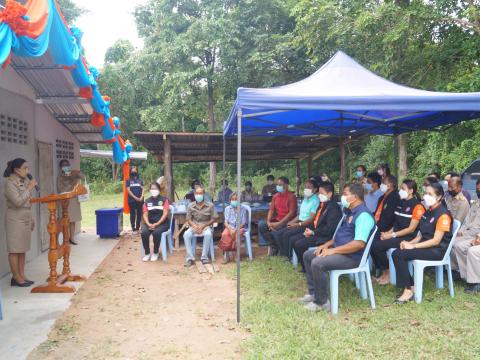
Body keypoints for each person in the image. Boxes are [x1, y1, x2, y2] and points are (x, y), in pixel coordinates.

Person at [300, 183, 375, 312]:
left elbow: (359, 244)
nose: (342, 197)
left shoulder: (363, 215)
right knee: (308, 255)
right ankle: (314, 293)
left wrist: (332, 250)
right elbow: (341, 235)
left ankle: (322, 302)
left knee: (318, 262)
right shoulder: (350, 212)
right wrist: (326, 245)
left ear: (355, 197)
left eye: (345, 194)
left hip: (352, 257)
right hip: (340, 251)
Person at [392, 183, 453, 304]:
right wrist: (408, 242)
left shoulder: (443, 215)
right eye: (425, 193)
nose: (426, 196)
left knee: (399, 255)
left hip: (437, 250)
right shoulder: (428, 211)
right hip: (426, 246)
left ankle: (408, 289)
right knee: (398, 252)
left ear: (439, 197)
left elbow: (436, 241)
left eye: (430, 194)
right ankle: (409, 286)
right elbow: (421, 235)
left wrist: (413, 246)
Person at [371, 179, 425, 285]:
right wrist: (388, 233)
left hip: (409, 237)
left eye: (403, 189)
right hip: (396, 235)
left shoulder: (417, 206)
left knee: (377, 246)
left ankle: (388, 273)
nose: (400, 191)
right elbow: (395, 224)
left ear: (411, 191)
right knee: (373, 242)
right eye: (400, 188)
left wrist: (392, 235)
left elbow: (411, 229)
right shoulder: (401, 203)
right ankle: (384, 272)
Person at [291, 181, 343, 272]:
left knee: (299, 244)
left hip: (326, 237)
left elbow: (330, 228)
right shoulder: (322, 204)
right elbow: (317, 221)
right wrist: (310, 230)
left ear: (330, 194)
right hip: (317, 232)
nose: (319, 195)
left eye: (321, 193)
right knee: (294, 239)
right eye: (319, 192)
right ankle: (306, 266)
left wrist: (314, 232)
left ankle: (307, 269)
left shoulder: (333, 208)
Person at [4, 158, 37, 287]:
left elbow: (27, 201)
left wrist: (31, 217)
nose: (27, 171)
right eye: (25, 168)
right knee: (14, 249)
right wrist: (29, 188)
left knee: (22, 248)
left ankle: (22, 275)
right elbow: (17, 202)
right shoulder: (9, 183)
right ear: (17, 170)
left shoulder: (23, 181)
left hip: (25, 217)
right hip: (15, 218)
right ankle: (16, 277)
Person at [275, 179, 320, 258]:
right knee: (279, 230)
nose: (306, 189)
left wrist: (296, 225)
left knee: (286, 234)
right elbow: (300, 215)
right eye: (305, 187)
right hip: (299, 221)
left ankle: (287, 256)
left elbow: (311, 218)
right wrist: (291, 222)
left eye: (309, 187)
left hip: (307, 224)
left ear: (315, 189)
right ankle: (282, 252)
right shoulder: (306, 199)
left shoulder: (315, 200)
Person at [451, 179, 480, 293]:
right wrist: (460, 231)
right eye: (477, 189)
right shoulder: (476, 203)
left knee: (471, 250)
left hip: (475, 233)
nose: (478, 191)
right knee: (456, 244)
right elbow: (467, 221)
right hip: (471, 233)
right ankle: (465, 276)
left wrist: (478, 238)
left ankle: (476, 281)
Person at [258, 177, 297, 256]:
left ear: (286, 185)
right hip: (277, 220)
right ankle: (274, 246)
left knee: (277, 231)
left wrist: (278, 224)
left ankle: (282, 252)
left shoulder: (291, 196)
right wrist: (268, 221)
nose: (278, 186)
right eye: (277, 184)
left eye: (280, 184)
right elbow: (271, 210)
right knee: (261, 225)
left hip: (287, 222)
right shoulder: (275, 196)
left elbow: (291, 213)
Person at [184, 186, 218, 266]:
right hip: (194, 225)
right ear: (194, 194)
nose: (198, 195)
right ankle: (190, 258)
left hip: (206, 225)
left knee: (208, 234)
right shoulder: (190, 205)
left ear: (203, 194)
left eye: (200, 193)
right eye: (197, 193)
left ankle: (204, 257)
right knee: (186, 234)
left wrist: (204, 226)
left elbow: (213, 219)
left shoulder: (210, 205)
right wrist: (194, 226)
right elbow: (188, 219)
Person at [57, 159, 85, 245]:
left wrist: (78, 172)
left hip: (74, 200)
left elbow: (83, 177)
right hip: (65, 201)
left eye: (67, 165)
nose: (66, 167)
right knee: (65, 220)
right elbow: (61, 189)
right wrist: (72, 183)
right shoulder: (60, 177)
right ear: (61, 167)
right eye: (64, 165)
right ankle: (65, 238)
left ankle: (72, 238)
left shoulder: (73, 174)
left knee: (73, 220)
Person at [141, 182, 170, 262]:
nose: (154, 190)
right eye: (152, 189)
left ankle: (155, 252)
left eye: (155, 188)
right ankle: (147, 253)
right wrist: (148, 223)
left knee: (156, 233)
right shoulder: (147, 201)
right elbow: (145, 214)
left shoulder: (164, 200)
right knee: (144, 232)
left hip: (162, 223)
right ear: (150, 190)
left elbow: (165, 214)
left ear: (159, 190)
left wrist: (157, 223)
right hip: (149, 223)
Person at [218, 193, 247, 264]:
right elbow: (225, 222)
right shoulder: (227, 208)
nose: (234, 201)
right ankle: (227, 256)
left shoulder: (243, 209)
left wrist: (235, 230)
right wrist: (231, 230)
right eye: (232, 199)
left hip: (239, 227)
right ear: (230, 200)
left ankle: (237, 256)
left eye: (236, 199)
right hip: (229, 227)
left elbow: (243, 223)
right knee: (225, 234)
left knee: (238, 235)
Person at [373, 175, 401, 240]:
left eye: (383, 183)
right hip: (376, 227)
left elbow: (389, 218)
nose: (381, 185)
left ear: (389, 185)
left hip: (386, 231)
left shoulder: (395, 197)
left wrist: (378, 230)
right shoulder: (382, 197)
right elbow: (377, 213)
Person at [126, 167, 144, 232]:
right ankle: (133, 227)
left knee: (139, 213)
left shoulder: (140, 180)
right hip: (132, 200)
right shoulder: (128, 180)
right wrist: (135, 197)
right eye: (132, 170)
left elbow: (143, 189)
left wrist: (141, 197)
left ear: (137, 171)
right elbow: (128, 191)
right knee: (133, 214)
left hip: (140, 200)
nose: (134, 172)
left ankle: (137, 227)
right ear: (130, 172)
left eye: (135, 170)